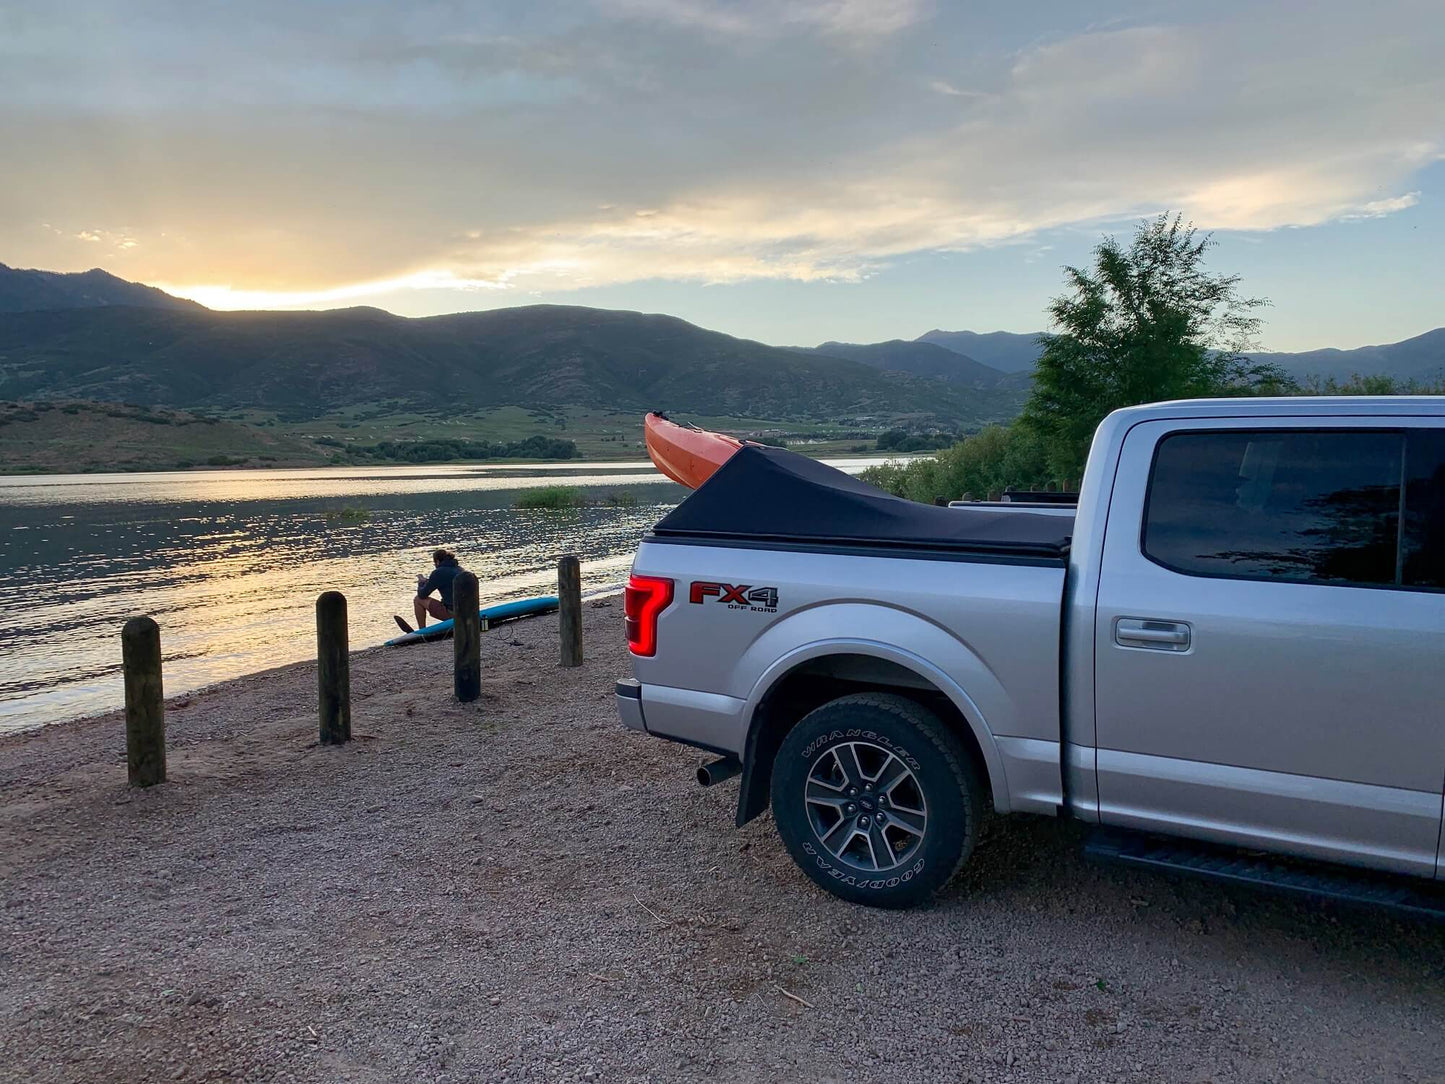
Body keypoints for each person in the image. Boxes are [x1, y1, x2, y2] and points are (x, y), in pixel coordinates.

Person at [394, 548, 465, 634]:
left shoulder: (438, 572)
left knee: (418, 600)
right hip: (466, 612)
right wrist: (428, 581)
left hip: (453, 614)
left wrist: (421, 583)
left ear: (437, 561)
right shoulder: (460, 569)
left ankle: (422, 631)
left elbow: (422, 595)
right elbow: (445, 581)